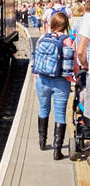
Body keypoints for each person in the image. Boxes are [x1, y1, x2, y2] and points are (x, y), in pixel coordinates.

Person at [34, 12, 79, 160]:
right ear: (66, 25)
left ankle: (42, 142)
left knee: (43, 109)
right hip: (62, 81)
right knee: (60, 114)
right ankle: (57, 151)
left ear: (52, 23)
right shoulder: (69, 41)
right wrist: (76, 79)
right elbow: (75, 65)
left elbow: (36, 59)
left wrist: (37, 78)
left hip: (42, 80)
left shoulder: (42, 38)